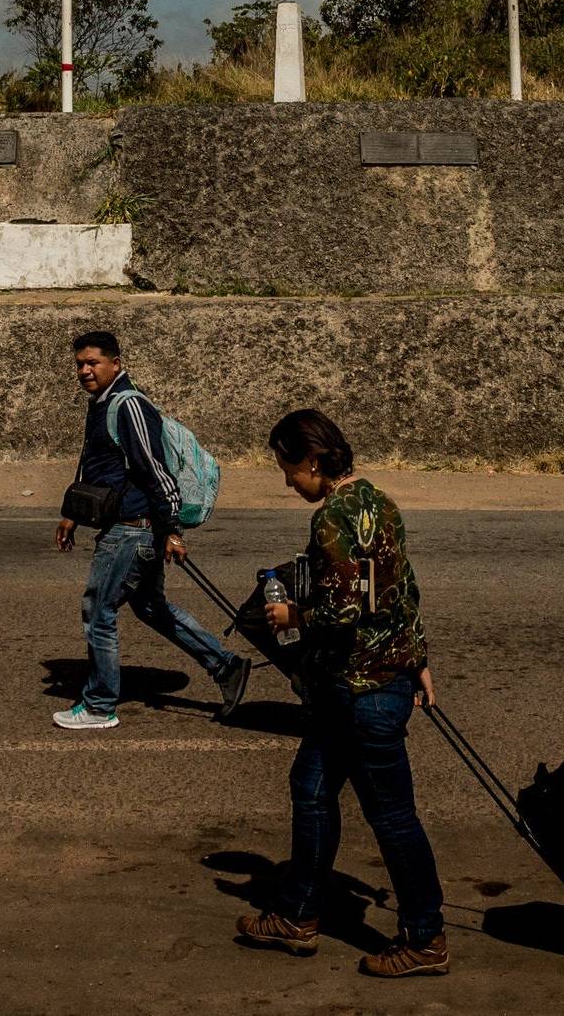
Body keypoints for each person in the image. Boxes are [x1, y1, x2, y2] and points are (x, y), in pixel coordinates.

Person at [236, 409, 448, 977]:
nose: (286, 482)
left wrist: (289, 612)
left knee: (393, 817)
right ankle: (298, 914)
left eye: (287, 469)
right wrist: (418, 658)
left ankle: (425, 938)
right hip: (373, 681)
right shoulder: (380, 502)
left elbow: (344, 607)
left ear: (311, 460)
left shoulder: (332, 517)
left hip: (363, 689)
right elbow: (402, 590)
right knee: (310, 786)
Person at [53, 330, 250, 730]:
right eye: (80, 364)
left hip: (132, 530)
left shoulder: (130, 407)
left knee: (98, 612)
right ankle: (225, 665)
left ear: (116, 364)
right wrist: (72, 511)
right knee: (150, 607)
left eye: (93, 363)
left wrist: (172, 530)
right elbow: (96, 464)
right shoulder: (102, 404)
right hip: (130, 527)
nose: (85, 370)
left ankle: (99, 705)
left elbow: (156, 472)